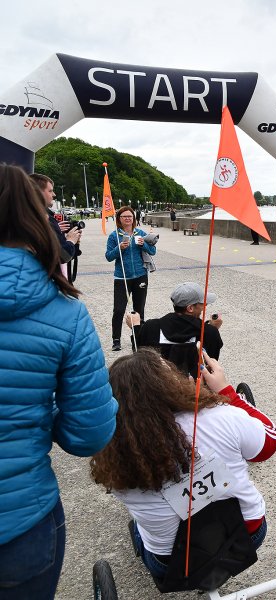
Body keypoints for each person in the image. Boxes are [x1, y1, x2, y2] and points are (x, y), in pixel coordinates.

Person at [0, 163, 117, 599]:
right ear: (37, 216)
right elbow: (89, 434)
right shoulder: (66, 312)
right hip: (21, 521)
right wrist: (35, 417)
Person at [90, 349, 276, 581]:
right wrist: (225, 391)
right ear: (171, 381)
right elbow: (269, 443)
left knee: (139, 525)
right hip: (247, 536)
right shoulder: (220, 416)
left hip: (171, 562)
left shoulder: (111, 454)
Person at [126, 282, 224, 377]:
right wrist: (212, 329)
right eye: (202, 303)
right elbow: (211, 365)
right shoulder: (209, 332)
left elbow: (139, 360)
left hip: (157, 389)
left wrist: (135, 327)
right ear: (190, 308)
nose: (205, 306)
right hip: (196, 390)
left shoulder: (151, 327)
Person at [106, 205, 156, 351]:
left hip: (141, 275)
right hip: (122, 278)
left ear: (134, 218)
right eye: (124, 217)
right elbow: (108, 256)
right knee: (119, 309)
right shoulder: (114, 236)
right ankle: (116, 339)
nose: (128, 219)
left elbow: (153, 251)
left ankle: (137, 338)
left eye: (130, 216)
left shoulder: (140, 233)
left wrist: (144, 245)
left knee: (139, 309)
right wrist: (119, 248)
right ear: (119, 219)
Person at [29, 172, 81, 265]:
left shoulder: (24, 216)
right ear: (37, 192)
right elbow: (62, 256)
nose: (54, 194)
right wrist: (71, 240)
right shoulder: (42, 218)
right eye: (50, 191)